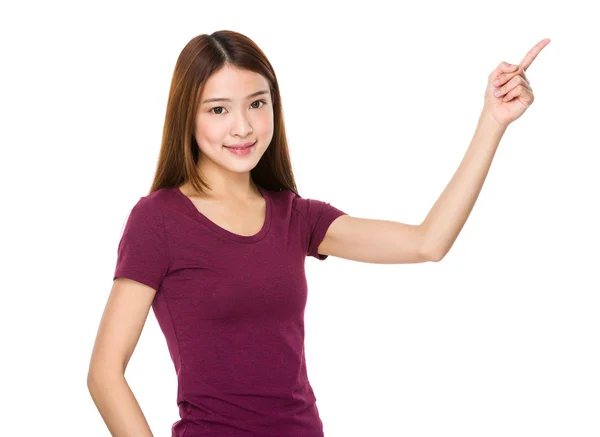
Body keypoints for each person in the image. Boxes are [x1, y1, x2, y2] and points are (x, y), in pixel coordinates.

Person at [86, 30, 550, 437]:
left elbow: (427, 242)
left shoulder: (295, 217)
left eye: (256, 104)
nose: (242, 126)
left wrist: (493, 122)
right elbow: (105, 374)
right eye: (219, 109)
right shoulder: (159, 219)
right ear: (189, 116)